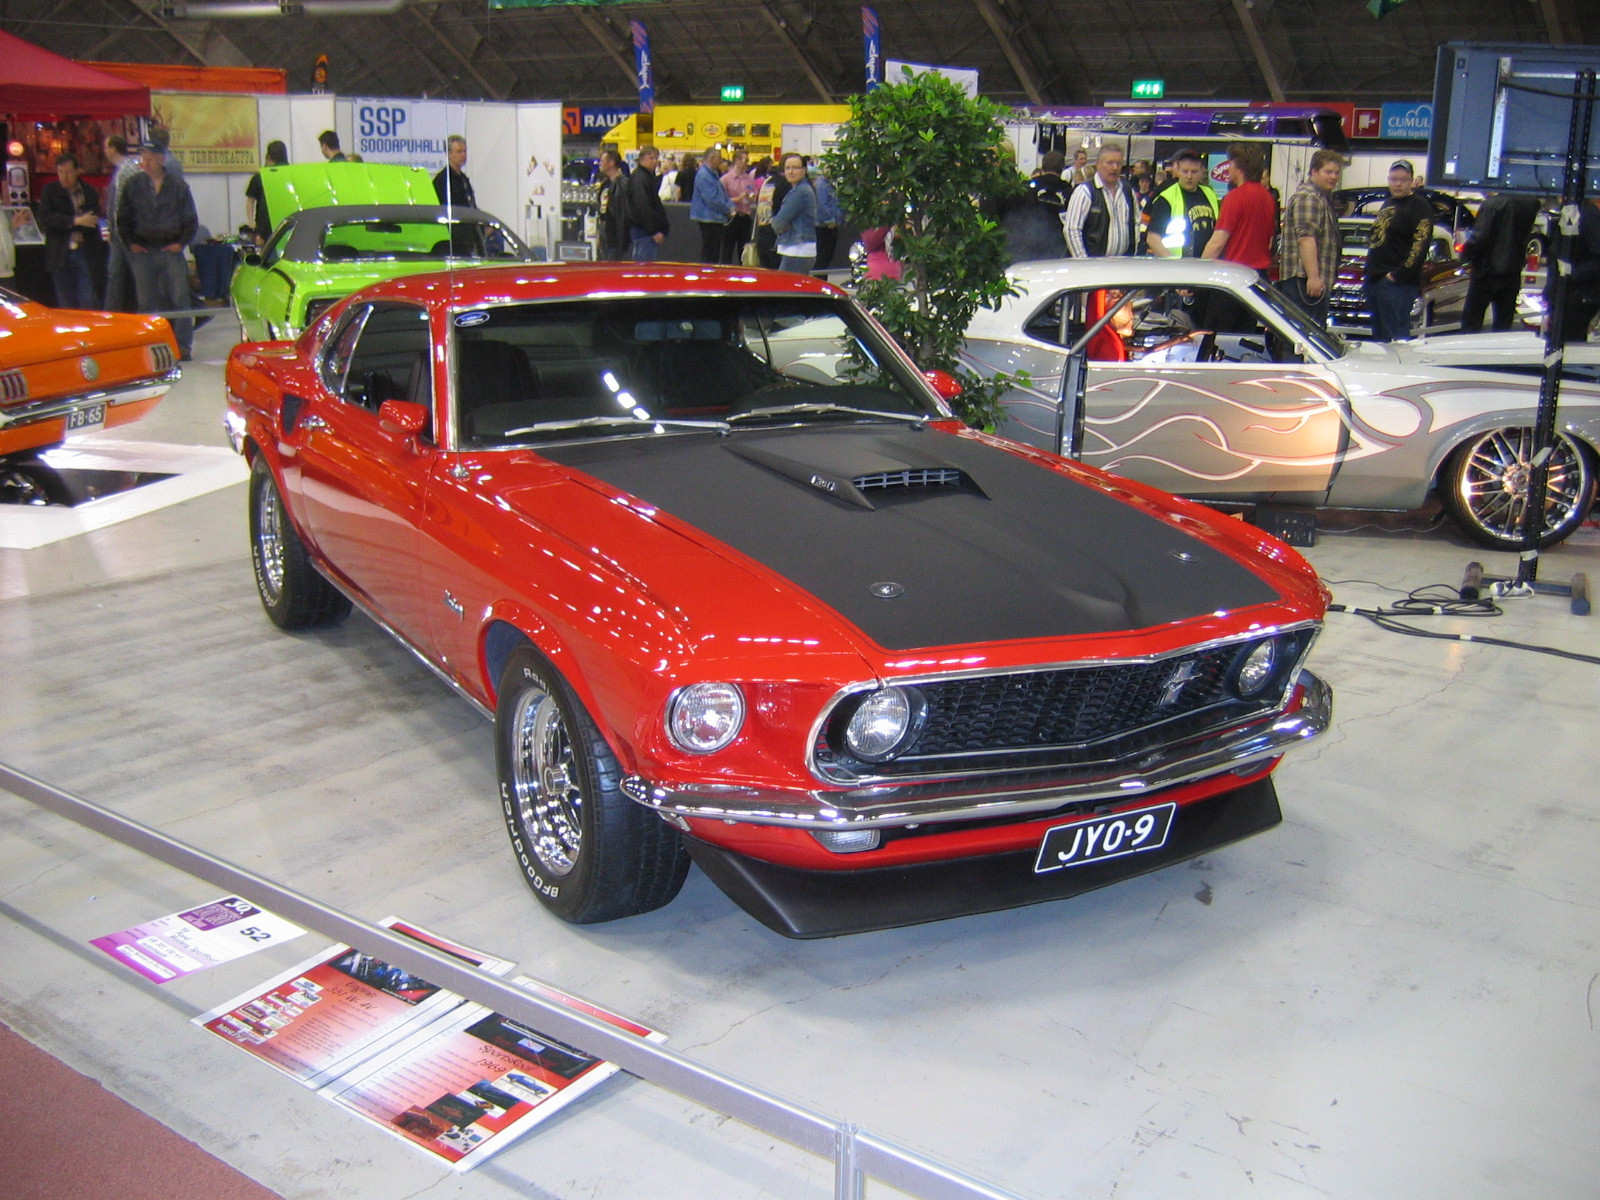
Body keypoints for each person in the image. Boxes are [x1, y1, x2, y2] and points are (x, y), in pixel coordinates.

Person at [120, 143, 197, 359]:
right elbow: (122, 217)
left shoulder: (178, 186)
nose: (145, 164)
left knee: (180, 299)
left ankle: (183, 346)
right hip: (142, 251)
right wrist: (130, 242)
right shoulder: (133, 185)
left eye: (150, 159)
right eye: (143, 160)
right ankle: (149, 345)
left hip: (171, 250)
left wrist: (180, 243)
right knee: (146, 302)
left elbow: (190, 218)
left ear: (161, 159)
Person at [1364, 159, 1435, 341]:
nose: (1397, 184)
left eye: (1403, 179)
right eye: (1393, 179)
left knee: (1396, 338)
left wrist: (1397, 275)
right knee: (1380, 338)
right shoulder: (1388, 203)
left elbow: (1420, 245)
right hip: (1376, 280)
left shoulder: (1419, 206)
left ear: (1411, 181)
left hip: (1397, 285)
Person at [1277, 148, 1344, 328]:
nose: (1333, 177)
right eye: (1328, 172)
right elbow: (1305, 239)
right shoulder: (1309, 197)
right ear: (1314, 171)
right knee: (1305, 338)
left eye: (1337, 173)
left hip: (1311, 283)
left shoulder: (1322, 197)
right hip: (1304, 283)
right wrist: (1313, 277)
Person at [1460, 191, 1540, 333]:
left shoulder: (1491, 204)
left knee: (1472, 321)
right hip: (1513, 268)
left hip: (1487, 269)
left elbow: (1479, 237)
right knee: (1504, 320)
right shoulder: (1531, 202)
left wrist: (1465, 255)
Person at [38, 153, 105, 309]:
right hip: (60, 252)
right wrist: (74, 221)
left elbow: (92, 220)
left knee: (88, 299)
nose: (64, 176)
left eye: (68, 172)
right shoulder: (50, 191)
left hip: (84, 250)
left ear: (77, 171)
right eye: (60, 172)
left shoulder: (89, 191)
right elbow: (46, 219)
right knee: (65, 302)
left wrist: (73, 222)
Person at [1201, 142, 1277, 276]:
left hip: (1237, 274)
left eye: (1230, 164)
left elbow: (1217, 243)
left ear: (1240, 169)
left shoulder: (1235, 197)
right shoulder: (1268, 198)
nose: (1228, 169)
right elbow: (1269, 243)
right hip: (1261, 275)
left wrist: (1198, 274)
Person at [1063, 145, 1140, 258]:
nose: (1114, 167)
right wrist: (1083, 262)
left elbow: (1136, 222)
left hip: (1123, 264)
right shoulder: (1085, 192)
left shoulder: (1127, 191)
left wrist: (1133, 252)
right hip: (1093, 266)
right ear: (1098, 164)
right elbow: (1072, 229)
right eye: (1109, 163)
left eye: (1118, 163)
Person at [1144, 148, 1218, 258]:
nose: (1189, 176)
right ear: (1178, 170)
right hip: (1177, 266)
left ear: (1202, 171)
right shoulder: (1166, 197)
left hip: (1205, 264)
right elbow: (1152, 238)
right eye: (1185, 171)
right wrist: (1172, 264)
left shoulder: (1209, 193)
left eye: (1194, 172)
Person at [999, 149, 1068, 263]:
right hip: (1057, 248)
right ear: (1062, 168)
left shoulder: (1025, 188)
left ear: (1043, 166)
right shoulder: (1069, 191)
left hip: (1026, 246)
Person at [103, 135, 142, 311]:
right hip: (122, 232)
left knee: (121, 275)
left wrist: (116, 229)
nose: (104, 151)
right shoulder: (123, 170)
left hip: (124, 233)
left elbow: (119, 205)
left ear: (112, 148)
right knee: (117, 275)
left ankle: (114, 313)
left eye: (106, 147)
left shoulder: (126, 170)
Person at [1556, 196, 1600, 343]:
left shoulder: (1586, 216)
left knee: (1570, 342)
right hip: (1572, 293)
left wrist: (1573, 274)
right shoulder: (1574, 213)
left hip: (1578, 294)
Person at [770, 153, 817, 273]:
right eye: (787, 168)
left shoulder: (799, 192)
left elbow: (778, 223)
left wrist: (776, 223)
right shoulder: (802, 189)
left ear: (804, 170)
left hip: (797, 249)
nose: (791, 171)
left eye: (795, 168)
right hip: (799, 248)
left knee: (785, 289)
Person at [623, 146, 670, 262]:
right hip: (644, 233)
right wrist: (653, 231)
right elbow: (642, 207)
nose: (655, 161)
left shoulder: (646, 177)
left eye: (656, 158)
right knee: (643, 268)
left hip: (645, 231)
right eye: (651, 158)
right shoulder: (640, 179)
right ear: (641, 160)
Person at [688, 147, 731, 263]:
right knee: (710, 252)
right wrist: (727, 209)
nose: (721, 161)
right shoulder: (704, 175)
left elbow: (721, 194)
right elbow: (711, 199)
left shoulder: (712, 174)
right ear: (712, 159)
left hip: (714, 218)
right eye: (719, 158)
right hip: (709, 218)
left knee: (713, 251)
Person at [244, 140, 287, 247]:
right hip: (288, 226)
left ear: (269, 156)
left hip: (264, 230)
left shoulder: (260, 177)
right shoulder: (291, 175)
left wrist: (251, 222)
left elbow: (250, 200)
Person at [719, 149, 759, 264]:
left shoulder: (749, 179)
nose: (747, 163)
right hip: (731, 218)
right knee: (727, 250)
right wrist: (737, 199)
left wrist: (751, 197)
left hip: (745, 217)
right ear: (736, 161)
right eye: (744, 160)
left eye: (747, 160)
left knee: (744, 251)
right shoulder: (725, 179)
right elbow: (722, 200)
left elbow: (754, 194)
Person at [595, 150, 628, 261]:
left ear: (611, 163)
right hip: (605, 229)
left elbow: (622, 211)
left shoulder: (622, 183)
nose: (600, 164)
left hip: (615, 231)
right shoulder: (605, 184)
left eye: (603, 161)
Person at [811, 163, 841, 273]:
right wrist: (831, 220)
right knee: (821, 260)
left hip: (829, 225)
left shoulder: (830, 184)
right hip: (824, 226)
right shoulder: (821, 185)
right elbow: (822, 205)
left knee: (825, 259)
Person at [433, 135, 476, 210]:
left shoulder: (464, 179)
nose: (463, 155)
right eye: (459, 152)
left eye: (464, 151)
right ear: (449, 154)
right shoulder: (442, 180)